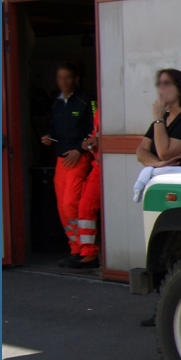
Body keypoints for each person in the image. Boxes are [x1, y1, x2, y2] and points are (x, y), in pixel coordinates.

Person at [135, 68, 181, 327]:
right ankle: (164, 308)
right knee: (162, 246)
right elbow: (141, 151)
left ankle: (178, 309)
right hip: (163, 185)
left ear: (179, 87)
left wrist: (157, 121)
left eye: (166, 84)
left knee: (180, 249)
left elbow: (165, 147)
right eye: (159, 84)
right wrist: (159, 163)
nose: (161, 89)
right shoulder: (164, 118)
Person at [40, 63, 94, 268]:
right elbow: (53, 128)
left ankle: (88, 252)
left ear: (75, 79)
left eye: (67, 78)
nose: (63, 82)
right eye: (60, 78)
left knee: (71, 204)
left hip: (78, 158)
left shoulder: (86, 101)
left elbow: (94, 130)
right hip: (61, 159)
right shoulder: (57, 103)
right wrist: (48, 137)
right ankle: (76, 250)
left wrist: (80, 150)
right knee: (63, 208)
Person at [73, 101, 102, 269]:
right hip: (98, 166)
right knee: (85, 207)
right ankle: (88, 254)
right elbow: (94, 134)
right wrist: (87, 142)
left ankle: (89, 253)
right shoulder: (98, 111)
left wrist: (98, 140)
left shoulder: (116, 108)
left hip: (110, 165)